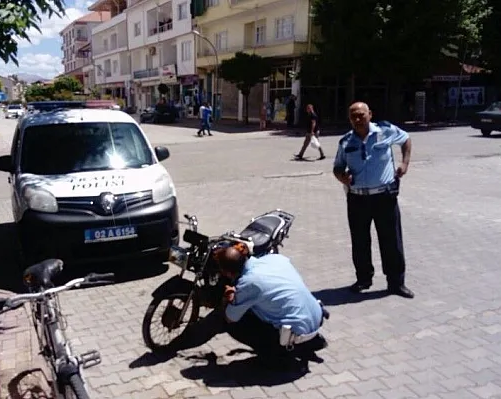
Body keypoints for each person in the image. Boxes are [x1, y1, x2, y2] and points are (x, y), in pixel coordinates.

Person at [168, 245, 329, 367]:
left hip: (294, 334)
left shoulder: (249, 283)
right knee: (257, 306)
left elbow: (230, 317)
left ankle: (278, 357)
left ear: (229, 274)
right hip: (315, 318)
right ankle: (309, 342)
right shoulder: (274, 259)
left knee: (228, 320)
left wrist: (227, 300)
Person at [332, 102, 414, 299]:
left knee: (391, 240)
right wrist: (342, 176)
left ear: (370, 114)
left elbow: (406, 139)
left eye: (361, 115)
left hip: (384, 197)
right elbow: (337, 167)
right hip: (357, 199)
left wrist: (404, 162)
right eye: (353, 116)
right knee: (359, 241)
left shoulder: (385, 131)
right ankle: (363, 279)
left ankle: (396, 283)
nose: (358, 119)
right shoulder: (346, 142)